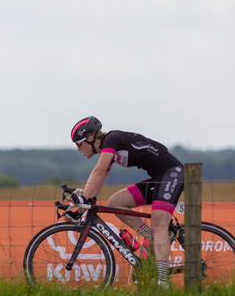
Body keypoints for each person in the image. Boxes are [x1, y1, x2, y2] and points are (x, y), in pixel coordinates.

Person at [70, 116, 184, 286]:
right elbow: (98, 182)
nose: (78, 148)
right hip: (158, 177)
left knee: (159, 223)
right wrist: (79, 209)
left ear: (90, 138)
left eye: (79, 143)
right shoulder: (107, 150)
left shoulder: (112, 139)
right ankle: (152, 238)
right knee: (115, 202)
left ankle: (162, 281)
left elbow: (98, 171)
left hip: (171, 173)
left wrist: (82, 197)